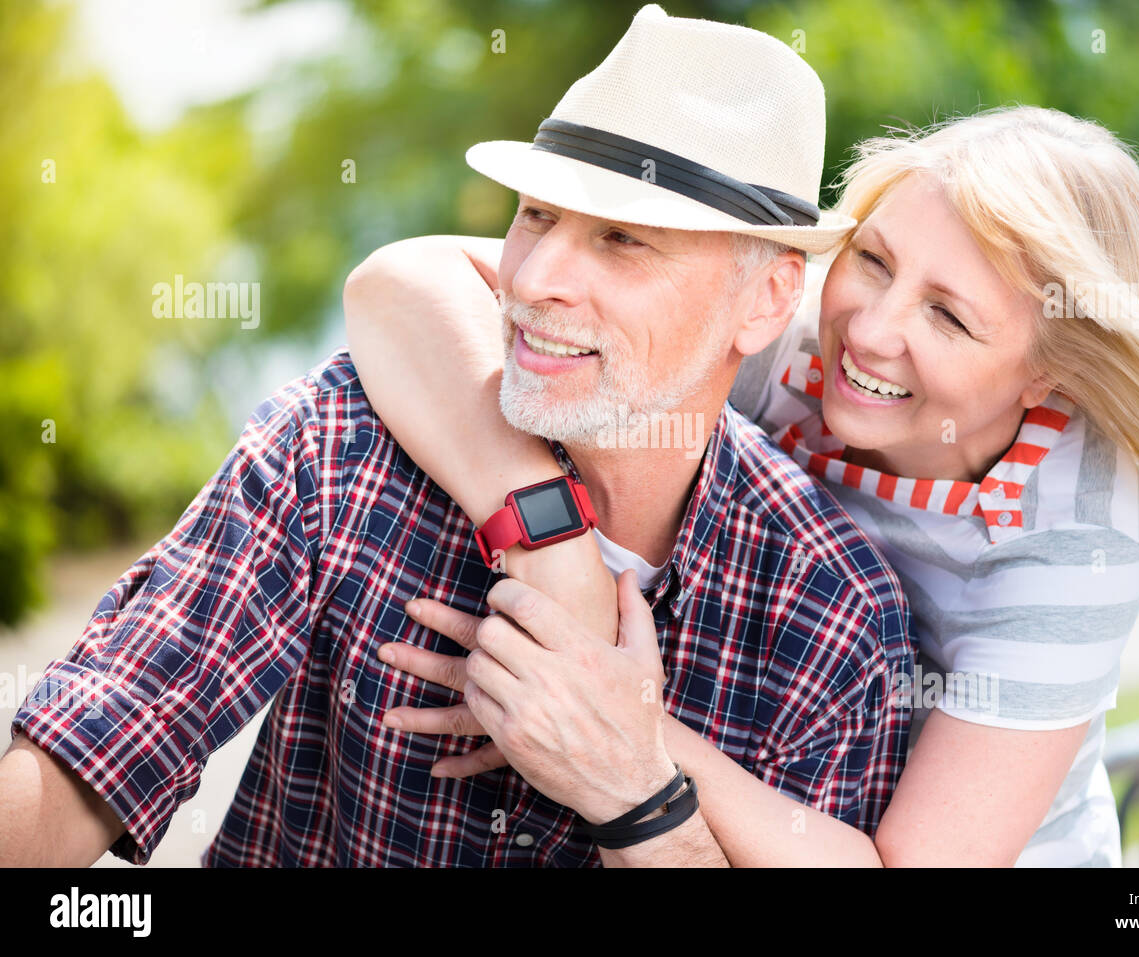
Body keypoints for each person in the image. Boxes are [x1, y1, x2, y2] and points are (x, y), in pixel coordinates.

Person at [0, 5, 912, 868]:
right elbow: (109, 739)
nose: (539, 276)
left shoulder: (831, 618)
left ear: (765, 301)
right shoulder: (346, 441)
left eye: (625, 240)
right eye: (537, 214)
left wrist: (634, 789)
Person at [344, 106, 1139, 866]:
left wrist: (596, 709)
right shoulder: (791, 333)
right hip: (774, 782)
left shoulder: (1072, 546)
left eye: (948, 315)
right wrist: (549, 542)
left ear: (1046, 374)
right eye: (872, 260)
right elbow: (407, 280)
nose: (870, 331)